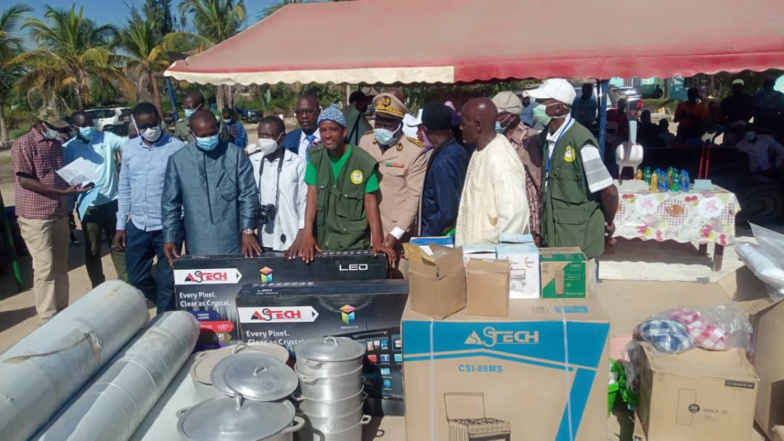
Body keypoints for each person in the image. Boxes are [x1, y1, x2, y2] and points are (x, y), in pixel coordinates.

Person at [12, 108, 91, 323]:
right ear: (41, 124)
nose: (58, 132)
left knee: (60, 264)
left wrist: (76, 183)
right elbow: (24, 180)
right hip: (36, 215)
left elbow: (60, 175)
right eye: (55, 127)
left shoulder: (56, 144)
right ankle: (47, 316)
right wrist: (61, 192)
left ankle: (62, 310)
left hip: (59, 212)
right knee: (44, 266)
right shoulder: (24, 144)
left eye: (60, 128)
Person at [528, 78, 619, 261]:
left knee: (575, 289)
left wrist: (608, 222)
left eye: (541, 103)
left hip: (578, 241)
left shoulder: (581, 142)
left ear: (558, 108)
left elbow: (609, 192)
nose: (535, 107)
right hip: (554, 237)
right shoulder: (547, 137)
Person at [291, 105, 394, 263]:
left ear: (344, 132)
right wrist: (307, 234)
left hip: (354, 243)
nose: (328, 135)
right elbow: (312, 195)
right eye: (323, 130)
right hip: (323, 243)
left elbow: (370, 202)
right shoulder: (315, 158)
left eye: (333, 129)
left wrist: (377, 241)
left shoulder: (363, 162)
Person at [162, 110, 260, 262]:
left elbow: (248, 194)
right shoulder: (178, 160)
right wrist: (170, 238)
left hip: (233, 241)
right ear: (192, 133)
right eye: (202, 136)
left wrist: (247, 231)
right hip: (198, 242)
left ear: (218, 128)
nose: (208, 138)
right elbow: (170, 204)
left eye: (212, 133)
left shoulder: (235, 155)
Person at [115, 103, 185, 314]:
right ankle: (169, 305)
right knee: (136, 277)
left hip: (168, 227)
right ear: (135, 124)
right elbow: (124, 187)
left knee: (166, 280)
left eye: (154, 123)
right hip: (138, 224)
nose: (150, 129)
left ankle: (163, 324)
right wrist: (121, 225)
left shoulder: (177, 147)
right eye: (144, 125)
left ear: (159, 119)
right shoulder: (130, 149)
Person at [359, 93, 427, 278]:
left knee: (397, 285)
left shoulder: (414, 151)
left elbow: (414, 197)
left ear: (400, 123)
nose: (381, 128)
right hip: (366, 231)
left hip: (396, 232)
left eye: (388, 123)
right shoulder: (366, 142)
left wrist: (397, 232)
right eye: (379, 122)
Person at [63, 111, 128, 288]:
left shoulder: (106, 138)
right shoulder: (69, 148)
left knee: (119, 243)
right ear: (74, 128)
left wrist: (134, 132)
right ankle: (98, 285)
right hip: (89, 205)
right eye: (83, 125)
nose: (88, 127)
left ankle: (126, 283)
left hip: (113, 201)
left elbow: (126, 144)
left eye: (90, 123)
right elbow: (69, 177)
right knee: (93, 249)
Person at [455, 98, 529, 245]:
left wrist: (486, 250)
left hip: (489, 261)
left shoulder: (501, 161)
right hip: (473, 256)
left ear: (478, 125)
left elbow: (514, 218)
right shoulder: (481, 151)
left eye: (464, 123)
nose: (460, 128)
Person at [246, 116, 307, 252]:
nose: (264, 140)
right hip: (261, 239)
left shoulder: (298, 164)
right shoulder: (252, 162)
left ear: (282, 137)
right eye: (261, 136)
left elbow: (305, 202)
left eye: (269, 136)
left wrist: (302, 235)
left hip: (292, 237)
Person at [492, 91, 544, 242]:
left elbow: (537, 184)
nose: (495, 119)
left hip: (527, 213)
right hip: (507, 211)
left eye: (499, 115)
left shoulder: (529, 139)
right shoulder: (500, 137)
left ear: (512, 116)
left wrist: (537, 228)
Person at [419, 103, 470, 237]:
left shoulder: (443, 161)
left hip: (440, 236)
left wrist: (429, 235)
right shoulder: (458, 150)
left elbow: (447, 212)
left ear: (425, 129)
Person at [284, 95, 321, 159]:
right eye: (299, 112)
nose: (304, 116)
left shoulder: (328, 138)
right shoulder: (287, 139)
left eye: (309, 111)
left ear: (318, 112)